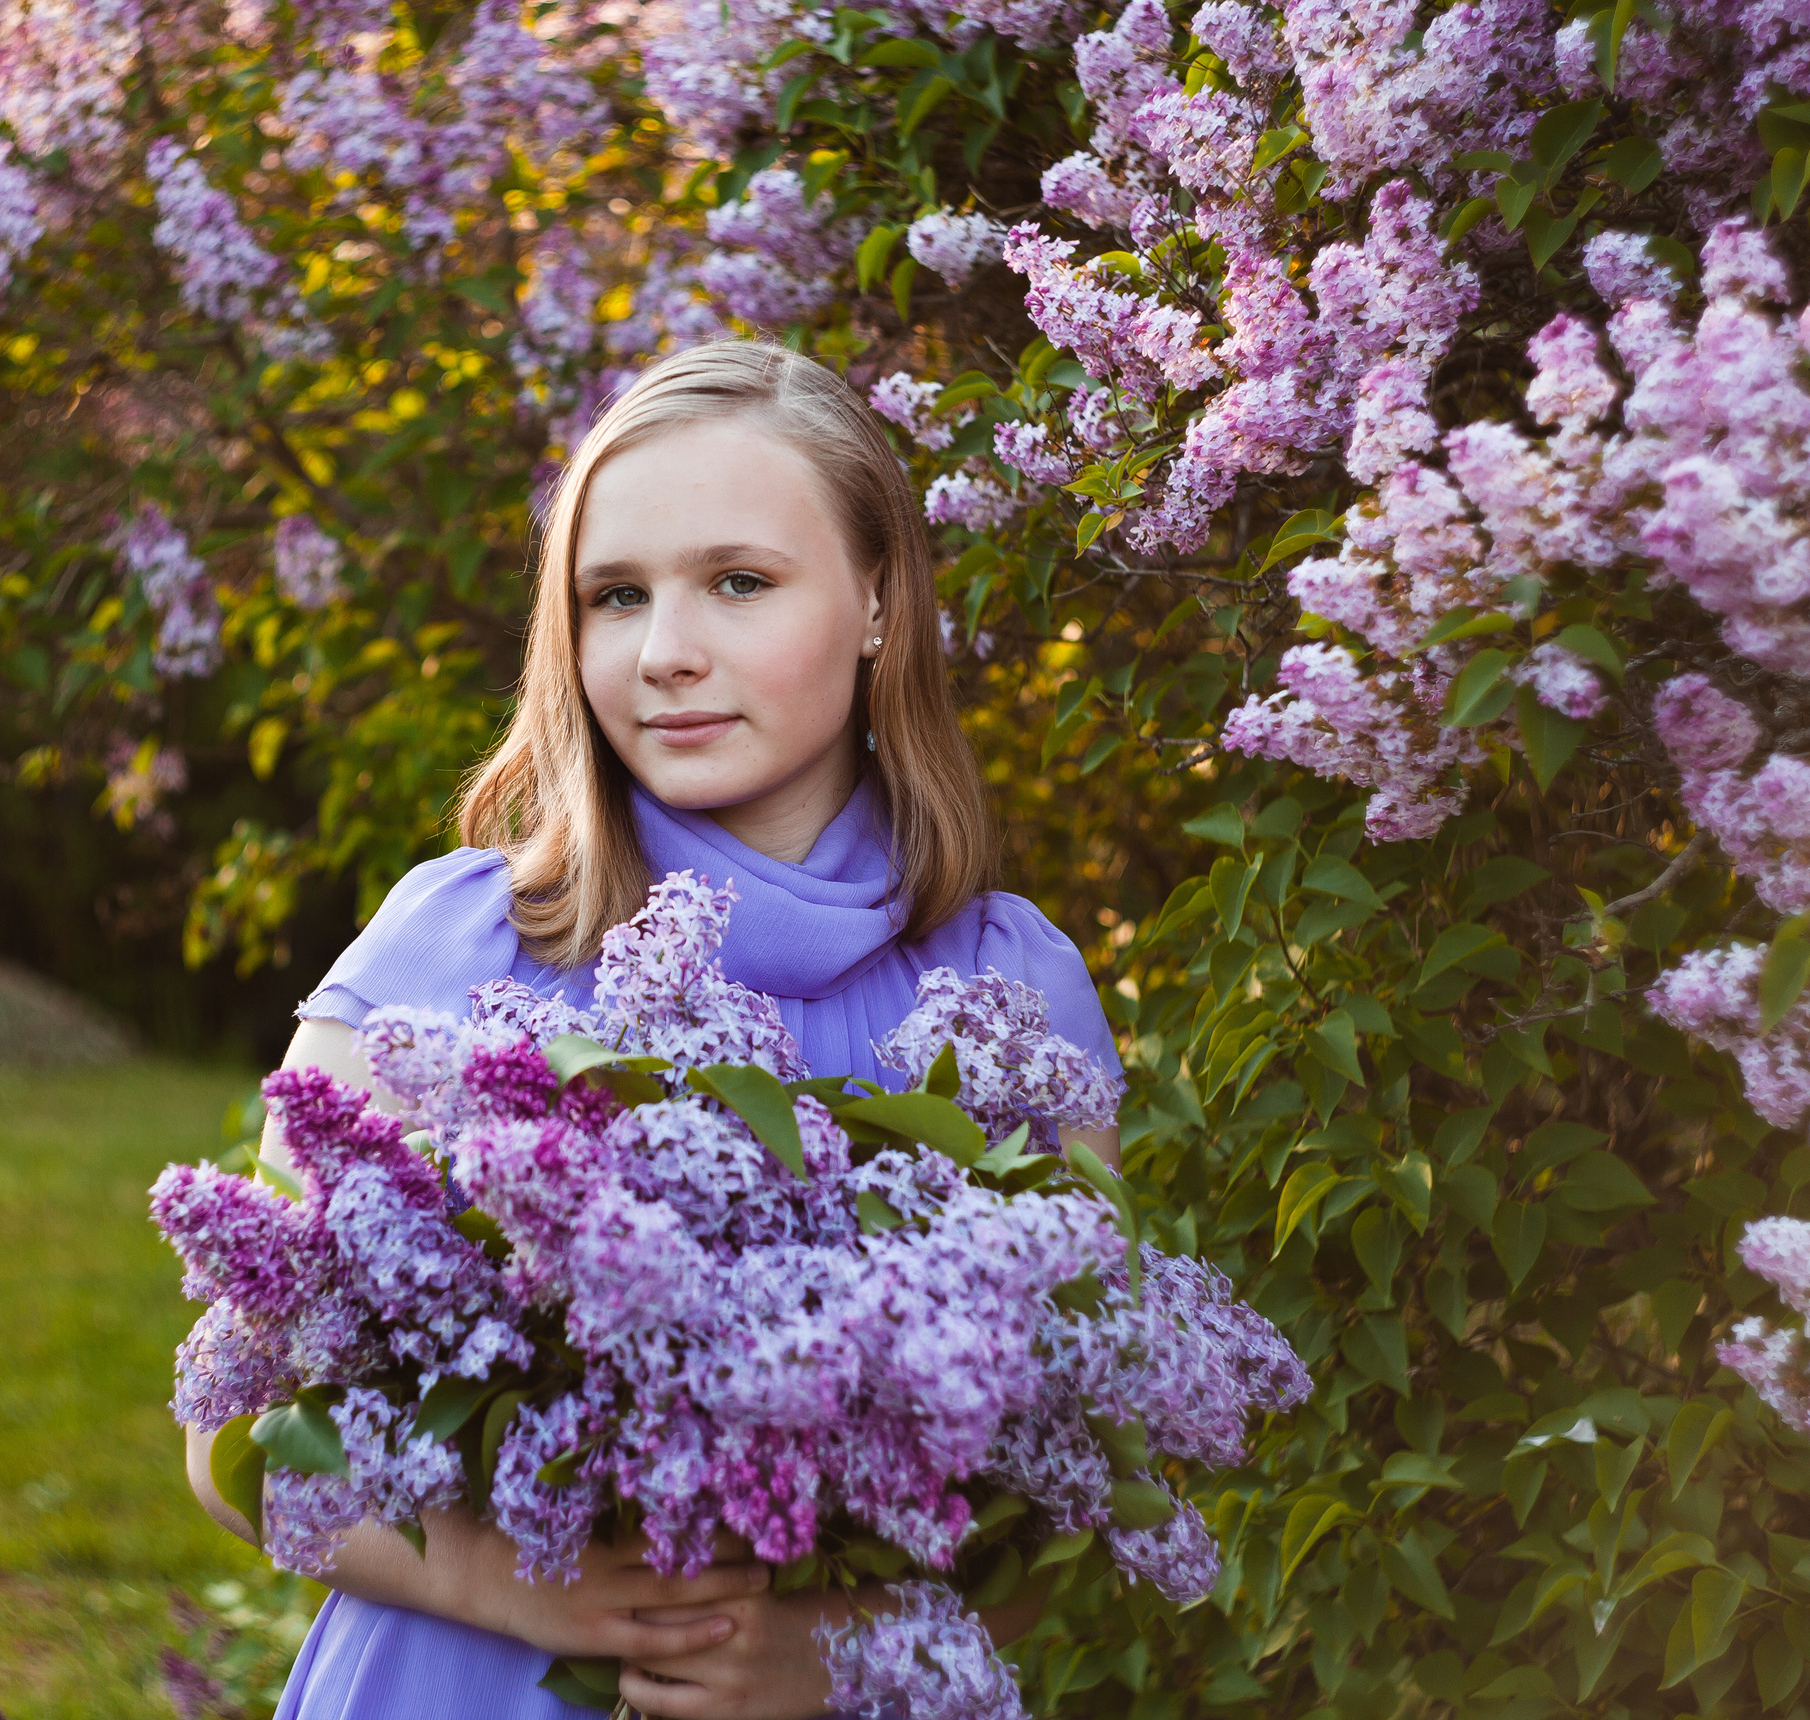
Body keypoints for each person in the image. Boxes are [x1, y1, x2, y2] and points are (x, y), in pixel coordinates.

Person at [182, 338, 1124, 1720]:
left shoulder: (1008, 992)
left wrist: (835, 1649)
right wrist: (519, 1589)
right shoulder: (451, 945)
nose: (667, 652)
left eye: (739, 582)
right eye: (616, 595)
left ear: (878, 601)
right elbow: (234, 1439)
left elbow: (1079, 1480)